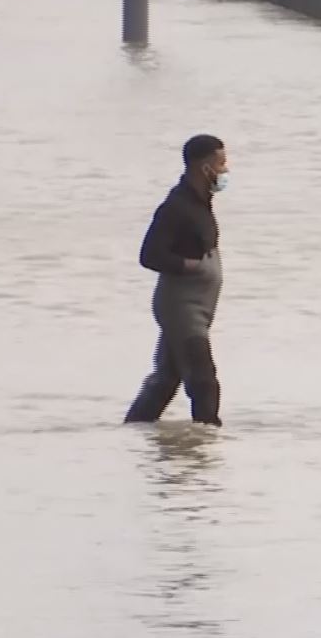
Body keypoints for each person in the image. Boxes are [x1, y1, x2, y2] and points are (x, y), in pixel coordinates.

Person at [124, 134, 230, 427]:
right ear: (204, 167)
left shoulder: (201, 200)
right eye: (221, 164)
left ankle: (133, 432)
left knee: (167, 379)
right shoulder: (176, 207)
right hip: (183, 307)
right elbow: (149, 255)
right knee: (203, 379)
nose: (226, 171)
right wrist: (190, 266)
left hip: (199, 306)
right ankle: (207, 440)